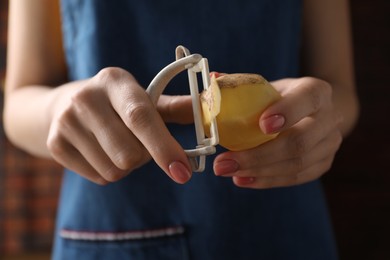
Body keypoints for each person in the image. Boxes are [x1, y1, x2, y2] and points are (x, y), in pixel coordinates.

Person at [4, 0, 359, 259]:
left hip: (281, 224)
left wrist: (322, 116)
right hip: (109, 224)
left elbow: (339, 88)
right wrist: (59, 109)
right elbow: (18, 104)